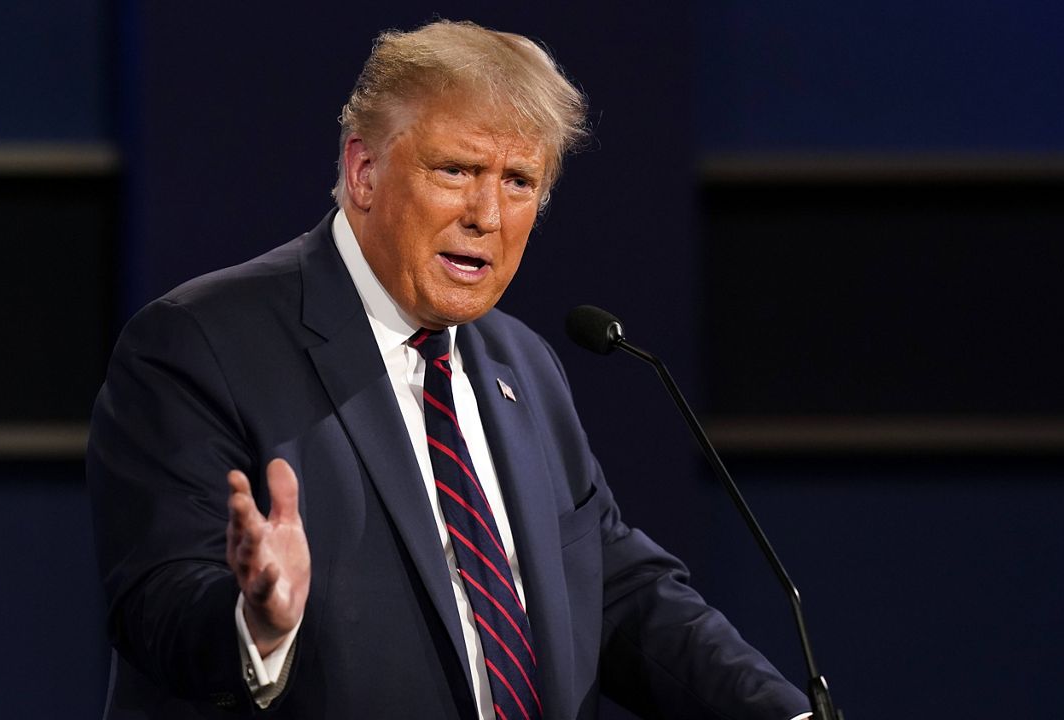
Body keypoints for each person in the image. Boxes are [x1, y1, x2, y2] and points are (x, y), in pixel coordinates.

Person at [88, 19, 810, 720]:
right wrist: (258, 623)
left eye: (519, 181)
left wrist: (783, 713)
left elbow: (616, 592)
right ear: (364, 172)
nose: (486, 214)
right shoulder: (196, 346)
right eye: (456, 170)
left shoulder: (524, 366)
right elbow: (157, 602)